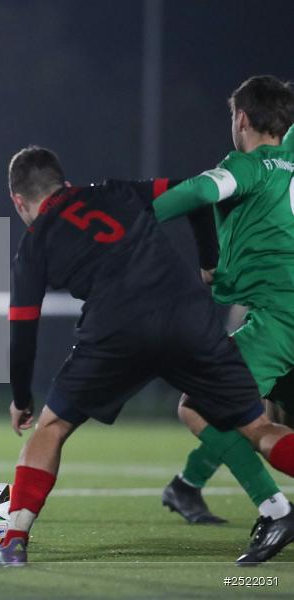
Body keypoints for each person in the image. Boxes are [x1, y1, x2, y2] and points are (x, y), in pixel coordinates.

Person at [0, 146, 294, 567]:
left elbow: (23, 331)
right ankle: (276, 510)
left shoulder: (34, 245)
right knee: (257, 426)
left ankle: (14, 542)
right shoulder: (114, 191)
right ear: (65, 183)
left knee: (51, 428)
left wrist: (22, 397)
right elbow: (197, 193)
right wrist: (209, 261)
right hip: (188, 315)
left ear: (18, 201)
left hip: (116, 330)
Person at [153, 76, 294, 558]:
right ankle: (190, 486)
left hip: (281, 315)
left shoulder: (248, 164)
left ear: (241, 119)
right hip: (277, 309)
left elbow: (203, 189)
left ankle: (276, 512)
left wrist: (136, 216)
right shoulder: (289, 158)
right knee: (270, 415)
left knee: (198, 404)